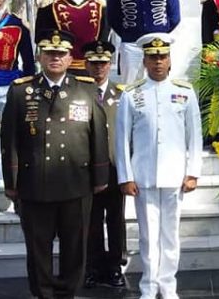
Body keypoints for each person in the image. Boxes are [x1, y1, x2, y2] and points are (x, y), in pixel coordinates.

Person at [0, 30, 109, 299]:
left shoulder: (85, 88)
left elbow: (98, 135)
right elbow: (9, 140)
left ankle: (68, 293)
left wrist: (100, 177)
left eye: (61, 54)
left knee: (75, 248)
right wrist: (11, 182)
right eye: (49, 53)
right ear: (39, 56)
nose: (55, 58)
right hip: (35, 184)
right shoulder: (21, 90)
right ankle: (43, 294)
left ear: (71, 58)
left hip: (76, 183)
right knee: (38, 249)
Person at [115, 33, 202, 299]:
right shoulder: (132, 94)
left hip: (174, 175)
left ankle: (168, 285)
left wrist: (193, 172)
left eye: (162, 57)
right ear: (144, 61)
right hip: (143, 175)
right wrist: (125, 176)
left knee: (170, 234)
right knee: (148, 235)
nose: (158, 62)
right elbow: (122, 138)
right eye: (152, 57)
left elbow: (195, 136)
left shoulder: (184, 92)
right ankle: (149, 286)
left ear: (170, 60)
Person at [81, 40, 127, 289]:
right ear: (86, 64)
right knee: (91, 220)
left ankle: (115, 265)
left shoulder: (122, 94)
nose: (99, 68)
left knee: (116, 219)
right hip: (87, 167)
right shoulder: (78, 93)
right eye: (94, 63)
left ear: (110, 65)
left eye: (103, 63)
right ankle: (94, 266)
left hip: (114, 167)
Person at [36, 0, 110, 77]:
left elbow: (104, 37)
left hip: (92, 68)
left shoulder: (100, 4)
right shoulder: (49, 5)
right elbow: (41, 39)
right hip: (61, 70)